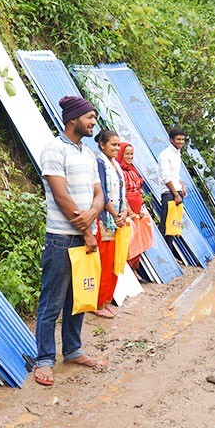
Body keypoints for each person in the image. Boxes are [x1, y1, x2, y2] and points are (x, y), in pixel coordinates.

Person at [34, 96, 106, 387]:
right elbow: (61, 196)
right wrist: (87, 229)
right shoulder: (53, 149)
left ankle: (73, 350)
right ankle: (44, 360)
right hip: (62, 238)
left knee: (79, 299)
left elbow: (99, 194)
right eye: (89, 117)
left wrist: (93, 210)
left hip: (86, 234)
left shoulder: (88, 154)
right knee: (52, 301)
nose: (93, 123)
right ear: (73, 119)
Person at [93, 130, 128, 319]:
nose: (116, 148)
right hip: (104, 220)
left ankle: (106, 300)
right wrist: (115, 214)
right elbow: (101, 193)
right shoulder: (99, 163)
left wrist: (124, 212)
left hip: (116, 221)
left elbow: (122, 194)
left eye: (117, 145)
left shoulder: (116, 165)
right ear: (102, 145)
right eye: (113, 144)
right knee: (103, 263)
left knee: (113, 263)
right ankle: (98, 302)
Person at [116, 141, 152, 276]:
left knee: (138, 240)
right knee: (129, 241)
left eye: (132, 154)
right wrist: (129, 211)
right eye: (127, 154)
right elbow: (122, 193)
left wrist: (141, 209)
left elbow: (139, 190)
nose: (130, 157)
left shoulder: (132, 170)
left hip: (137, 210)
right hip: (128, 211)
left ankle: (135, 269)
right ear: (121, 154)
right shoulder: (120, 171)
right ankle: (128, 272)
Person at [157, 127, 187, 245]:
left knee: (173, 225)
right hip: (170, 194)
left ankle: (170, 252)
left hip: (176, 191)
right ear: (171, 140)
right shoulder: (165, 155)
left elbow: (174, 174)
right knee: (166, 226)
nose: (181, 142)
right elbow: (166, 177)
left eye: (182, 139)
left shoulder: (177, 153)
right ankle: (165, 255)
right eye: (178, 139)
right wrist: (175, 194)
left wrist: (181, 186)